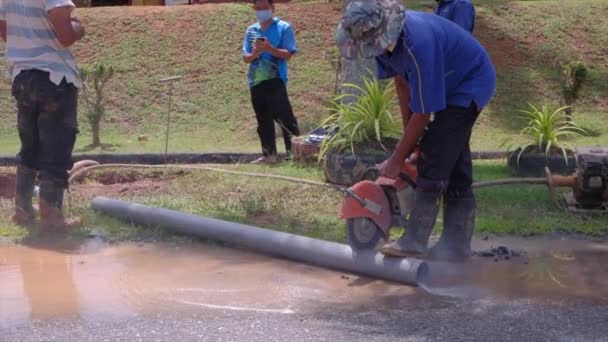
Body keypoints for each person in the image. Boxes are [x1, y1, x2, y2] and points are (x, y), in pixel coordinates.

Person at [336, 0, 496, 261]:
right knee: (452, 157)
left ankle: (415, 240)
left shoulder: (417, 46)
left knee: (433, 155)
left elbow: (423, 112)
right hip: (449, 80)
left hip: (470, 82)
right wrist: (409, 142)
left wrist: (398, 159)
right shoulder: (387, 47)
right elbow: (402, 84)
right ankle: (456, 246)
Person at [0, 0, 85, 232]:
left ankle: (23, 210)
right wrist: (79, 27)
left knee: (30, 146)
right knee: (56, 150)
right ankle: (52, 217)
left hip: (23, 76)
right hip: (54, 78)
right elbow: (66, 36)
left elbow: (4, 30)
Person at [242, 0, 300, 164]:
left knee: (285, 119)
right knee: (263, 120)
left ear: (272, 8)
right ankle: (269, 155)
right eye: (258, 9)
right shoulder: (251, 30)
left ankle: (294, 154)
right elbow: (245, 58)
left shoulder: (283, 27)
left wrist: (269, 49)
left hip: (276, 80)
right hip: (256, 81)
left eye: (265, 8)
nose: (261, 12)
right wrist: (255, 52)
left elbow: (288, 54)